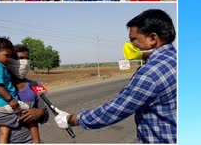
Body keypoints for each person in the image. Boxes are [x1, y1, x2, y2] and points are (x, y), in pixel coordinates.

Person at [54, 9, 177, 144]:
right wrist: (144, 55)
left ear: (153, 38)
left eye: (133, 39)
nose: (131, 44)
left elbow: (114, 110)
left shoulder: (150, 74)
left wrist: (71, 119)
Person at [0, 44, 49, 143]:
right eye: (20, 58)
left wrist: (40, 113)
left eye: (27, 58)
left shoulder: (37, 84)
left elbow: (45, 114)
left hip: (28, 141)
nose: (24, 62)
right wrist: (21, 117)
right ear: (9, 60)